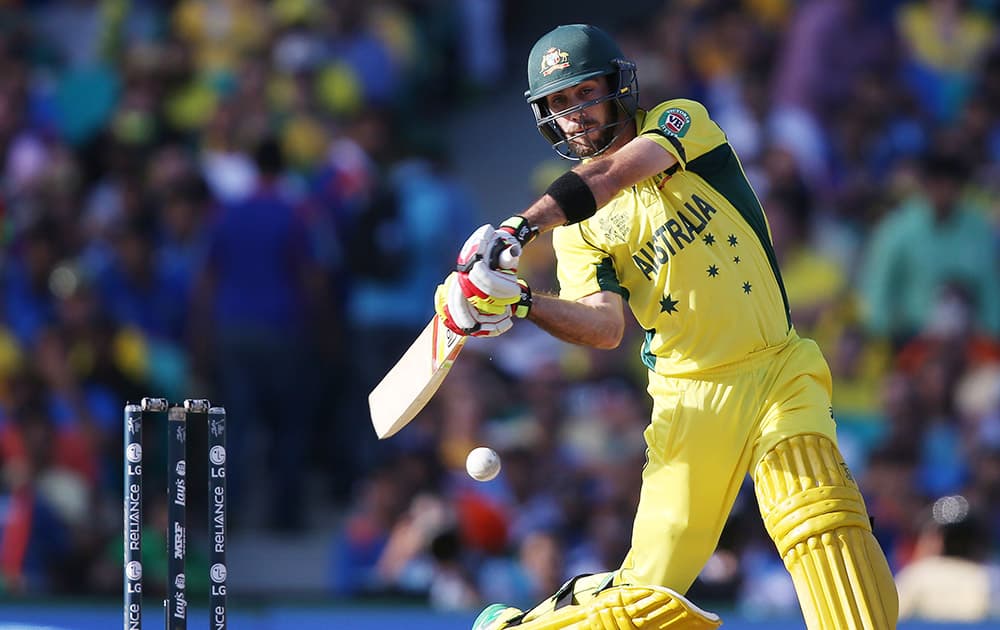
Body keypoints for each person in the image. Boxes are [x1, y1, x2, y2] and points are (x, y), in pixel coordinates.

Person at [433, 24, 899, 629]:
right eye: (557, 104)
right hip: (690, 403)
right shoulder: (578, 236)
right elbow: (603, 329)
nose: (572, 115)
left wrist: (519, 228)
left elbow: (610, 177)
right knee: (645, 604)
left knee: (822, 522)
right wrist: (521, 302)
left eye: (583, 94)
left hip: (780, 365)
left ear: (619, 88)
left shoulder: (679, 124)